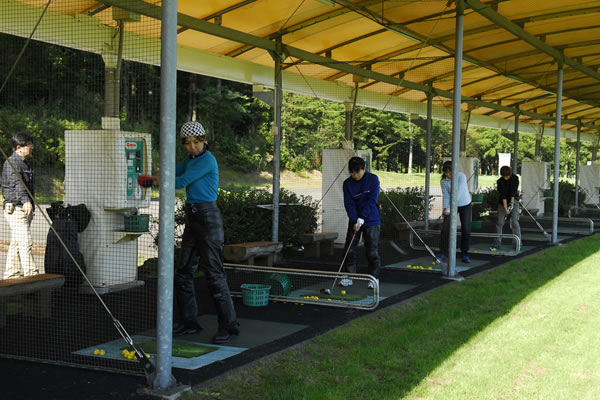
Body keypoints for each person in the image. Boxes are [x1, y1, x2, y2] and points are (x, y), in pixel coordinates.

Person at [170, 121, 239, 344]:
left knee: (214, 275)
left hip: (208, 220)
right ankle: (189, 323)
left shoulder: (207, 160)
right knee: (182, 273)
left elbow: (180, 181)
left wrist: (154, 180)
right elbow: (173, 170)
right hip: (193, 219)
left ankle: (229, 326)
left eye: (196, 142)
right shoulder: (191, 160)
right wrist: (155, 172)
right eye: (188, 144)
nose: (192, 147)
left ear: (204, 140)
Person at [2, 131, 41, 279]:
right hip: (16, 208)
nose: (32, 147)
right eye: (29, 145)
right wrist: (25, 200)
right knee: (26, 241)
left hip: (22, 208)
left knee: (16, 243)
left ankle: (11, 273)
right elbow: (16, 183)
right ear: (19, 147)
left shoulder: (24, 162)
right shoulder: (12, 162)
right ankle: (32, 274)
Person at [339, 156, 381, 289]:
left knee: (371, 251)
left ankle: (373, 278)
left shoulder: (373, 179)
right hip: (354, 220)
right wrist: (354, 219)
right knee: (349, 250)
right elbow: (349, 203)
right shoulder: (347, 184)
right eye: (352, 172)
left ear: (364, 169)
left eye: (357, 171)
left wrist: (362, 217)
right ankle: (349, 276)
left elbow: (372, 200)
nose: (355, 175)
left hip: (371, 220)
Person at [439, 160, 472, 263]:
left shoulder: (461, 176)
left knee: (465, 229)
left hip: (465, 204)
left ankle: (465, 253)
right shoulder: (444, 181)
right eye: (446, 172)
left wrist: (450, 207)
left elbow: (458, 193)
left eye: (450, 172)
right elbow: (446, 195)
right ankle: (443, 252)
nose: (448, 174)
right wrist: (446, 208)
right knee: (445, 229)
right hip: (451, 206)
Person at [491, 165, 521, 249]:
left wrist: (511, 204)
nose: (506, 178)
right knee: (500, 222)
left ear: (510, 174)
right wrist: (505, 208)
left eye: (507, 176)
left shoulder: (515, 178)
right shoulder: (500, 181)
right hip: (502, 203)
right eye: (504, 176)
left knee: (515, 222)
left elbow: (513, 192)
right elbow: (503, 195)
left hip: (514, 201)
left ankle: (517, 242)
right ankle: (497, 241)